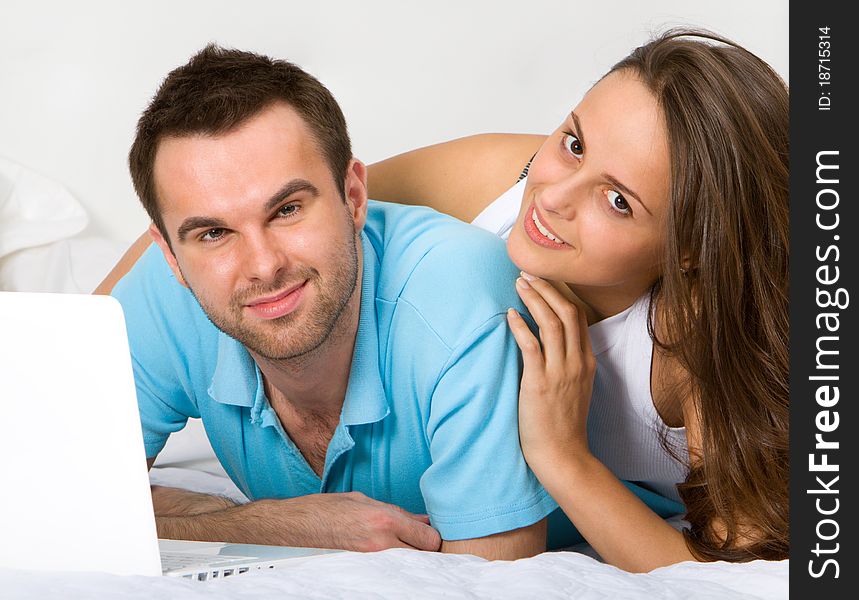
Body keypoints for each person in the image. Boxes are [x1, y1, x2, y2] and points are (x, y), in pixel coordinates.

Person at [99, 29, 789, 571]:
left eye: (617, 200)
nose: (550, 197)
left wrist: (560, 454)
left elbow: (712, 571)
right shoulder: (499, 179)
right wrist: (72, 335)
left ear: (690, 248)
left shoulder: (697, 339)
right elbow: (267, 191)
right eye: (573, 142)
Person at [107, 44, 559, 561]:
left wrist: (180, 516)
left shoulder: (462, 299)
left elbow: (496, 578)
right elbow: (42, 499)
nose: (263, 265)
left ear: (354, 196)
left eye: (287, 209)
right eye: (214, 232)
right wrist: (276, 523)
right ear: (169, 253)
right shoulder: (161, 298)